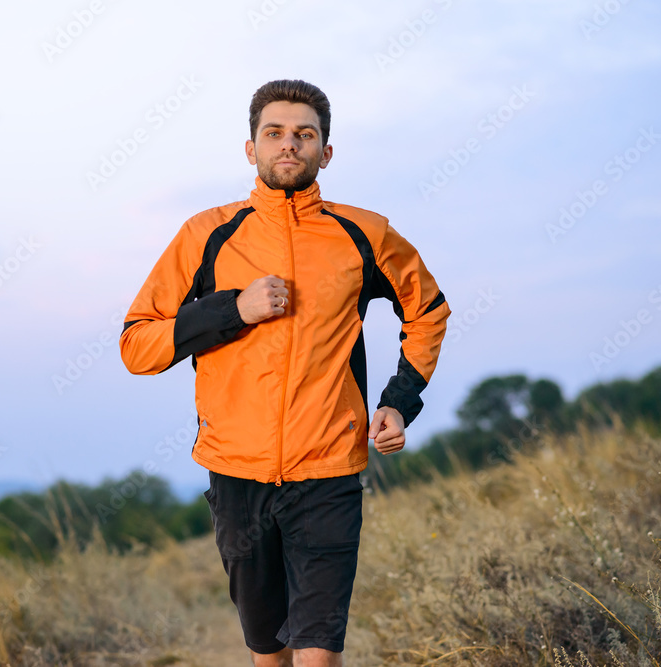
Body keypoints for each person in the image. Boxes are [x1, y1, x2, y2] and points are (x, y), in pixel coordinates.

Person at [119, 79, 450, 667]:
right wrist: (231, 309)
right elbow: (137, 345)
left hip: (328, 470)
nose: (289, 145)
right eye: (274, 134)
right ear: (251, 148)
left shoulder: (365, 234)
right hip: (235, 473)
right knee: (268, 653)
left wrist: (400, 401)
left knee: (317, 654)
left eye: (305, 134)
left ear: (326, 151)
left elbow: (427, 310)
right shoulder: (207, 234)